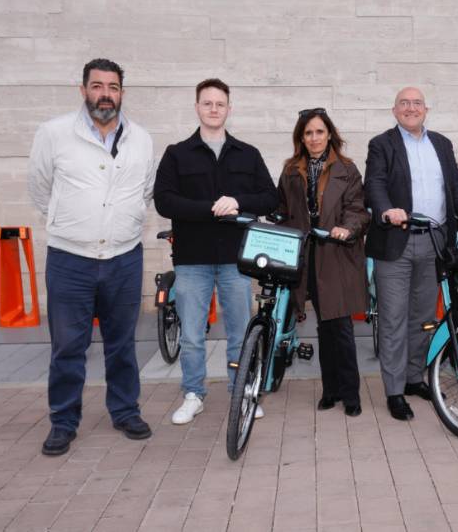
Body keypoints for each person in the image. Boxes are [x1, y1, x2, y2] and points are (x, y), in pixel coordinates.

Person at [28, 58, 155, 456]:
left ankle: (125, 411)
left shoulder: (141, 139)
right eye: (97, 86)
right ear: (83, 90)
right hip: (70, 260)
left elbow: (145, 191)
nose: (105, 94)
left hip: (124, 257)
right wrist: (69, 221)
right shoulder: (54, 133)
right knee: (68, 346)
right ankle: (63, 421)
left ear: (122, 93)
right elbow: (40, 188)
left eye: (113, 87)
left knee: (122, 343)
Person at [154, 78, 278, 424]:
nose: (213, 109)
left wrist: (237, 202)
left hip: (235, 260)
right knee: (192, 335)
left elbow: (270, 198)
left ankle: (242, 392)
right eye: (207, 103)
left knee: (239, 334)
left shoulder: (247, 153)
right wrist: (210, 208)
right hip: (192, 260)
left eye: (219, 104)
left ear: (228, 108)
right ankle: (193, 394)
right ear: (197, 107)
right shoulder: (177, 153)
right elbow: (164, 200)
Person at [364, 87, 458, 421]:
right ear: (394, 110)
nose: (410, 108)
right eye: (404, 103)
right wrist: (386, 210)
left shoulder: (441, 143)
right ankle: (394, 391)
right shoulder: (381, 144)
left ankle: (414, 377)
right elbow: (374, 185)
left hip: (434, 241)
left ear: (426, 109)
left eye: (416, 103)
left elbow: (456, 187)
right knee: (394, 319)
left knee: (424, 317)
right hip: (395, 241)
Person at [277, 108, 369, 417]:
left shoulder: (347, 169)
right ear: (301, 138)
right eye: (308, 133)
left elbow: (357, 209)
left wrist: (347, 228)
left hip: (337, 253)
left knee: (340, 326)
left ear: (329, 134)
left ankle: (350, 393)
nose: (314, 138)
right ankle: (331, 390)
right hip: (308, 256)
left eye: (319, 131)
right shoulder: (291, 171)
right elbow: (283, 209)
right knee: (323, 326)